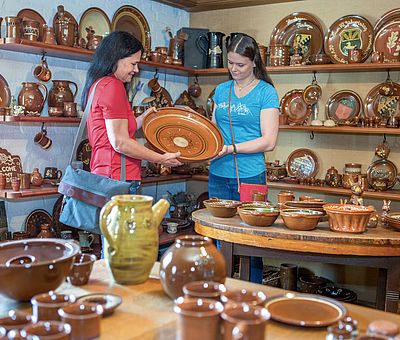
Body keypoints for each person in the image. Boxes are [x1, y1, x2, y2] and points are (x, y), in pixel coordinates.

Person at [209, 34, 280, 283]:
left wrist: (231, 148)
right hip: (218, 174)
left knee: (252, 241)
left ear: (253, 62)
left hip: (251, 175)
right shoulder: (221, 90)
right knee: (220, 238)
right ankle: (221, 290)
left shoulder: (266, 93)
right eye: (230, 63)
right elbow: (213, 129)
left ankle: (253, 294)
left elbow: (268, 141)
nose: (234, 69)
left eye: (240, 64)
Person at [81, 31, 182, 194]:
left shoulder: (99, 84)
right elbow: (120, 142)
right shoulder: (113, 87)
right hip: (117, 177)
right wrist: (161, 158)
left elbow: (120, 131)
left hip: (107, 174)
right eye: (133, 63)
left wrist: (145, 116)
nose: (136, 69)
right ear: (116, 59)